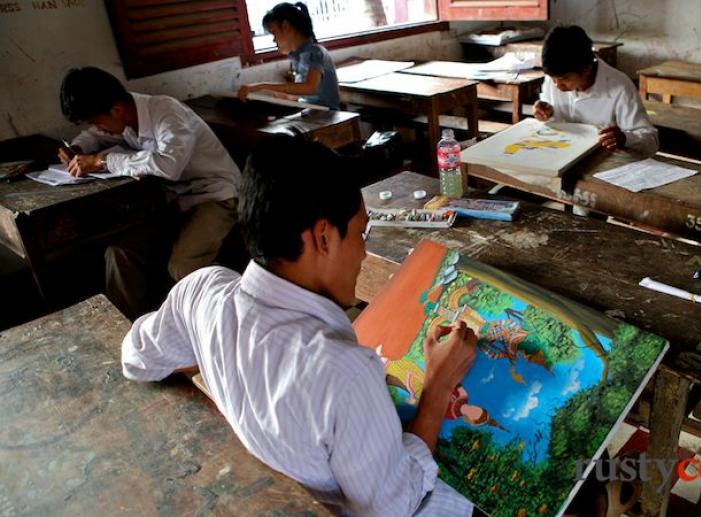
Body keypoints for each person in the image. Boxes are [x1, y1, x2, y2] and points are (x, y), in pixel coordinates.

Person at [120, 135, 478, 516]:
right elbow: (392, 508)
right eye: (360, 233)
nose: (361, 250)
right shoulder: (344, 372)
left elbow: (136, 358)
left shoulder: (201, 292)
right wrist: (438, 386)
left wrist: (218, 354)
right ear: (322, 237)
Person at [58, 66, 241, 320]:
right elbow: (92, 136)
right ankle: (130, 332)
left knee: (183, 266)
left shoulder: (167, 113)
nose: (98, 129)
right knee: (119, 254)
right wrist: (77, 148)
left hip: (215, 196)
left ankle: (232, 315)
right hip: (174, 203)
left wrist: (102, 161)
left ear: (116, 110)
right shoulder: (120, 116)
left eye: (97, 121)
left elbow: (169, 165)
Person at [534, 25, 658, 157]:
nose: (557, 85)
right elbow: (550, 118)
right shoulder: (555, 75)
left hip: (603, 160)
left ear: (586, 69)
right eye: (553, 79)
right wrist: (545, 112)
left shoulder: (619, 86)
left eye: (564, 79)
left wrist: (625, 138)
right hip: (560, 153)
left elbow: (651, 140)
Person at [237, 2, 340, 109]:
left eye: (274, 33)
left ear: (286, 26)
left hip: (328, 115)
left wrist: (262, 86)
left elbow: (310, 88)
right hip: (310, 111)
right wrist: (278, 94)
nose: (274, 40)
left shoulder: (315, 51)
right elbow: (301, 95)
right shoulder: (297, 56)